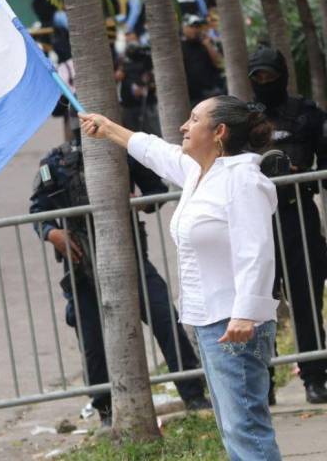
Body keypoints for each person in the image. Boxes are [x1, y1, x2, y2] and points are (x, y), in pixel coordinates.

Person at [81, 97, 282, 460]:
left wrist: (245, 314)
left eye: (193, 119)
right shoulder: (198, 174)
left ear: (218, 131)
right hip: (211, 322)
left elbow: (258, 250)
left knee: (246, 429)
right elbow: (156, 151)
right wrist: (108, 128)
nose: (183, 127)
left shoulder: (242, 180)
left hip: (234, 324)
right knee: (233, 428)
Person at [30, 143, 209, 426]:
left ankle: (194, 394)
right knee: (92, 341)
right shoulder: (52, 163)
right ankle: (106, 410)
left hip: (129, 259)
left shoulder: (118, 153)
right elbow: (38, 211)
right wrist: (53, 234)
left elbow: (156, 192)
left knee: (165, 319)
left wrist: (138, 200)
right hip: (80, 265)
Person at [248, 46, 327, 404]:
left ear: (282, 75)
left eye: (269, 76)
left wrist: (301, 175)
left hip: (298, 215)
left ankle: (315, 377)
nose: (264, 83)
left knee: (307, 299)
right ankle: (263, 383)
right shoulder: (242, 119)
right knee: (260, 304)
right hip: (257, 222)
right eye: (258, 77)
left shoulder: (308, 115)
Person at [181, 15, 225, 106]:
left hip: (212, 91)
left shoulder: (207, 43)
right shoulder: (179, 47)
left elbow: (220, 64)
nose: (196, 29)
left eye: (198, 27)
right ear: (184, 28)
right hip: (192, 96)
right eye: (192, 26)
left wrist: (208, 45)